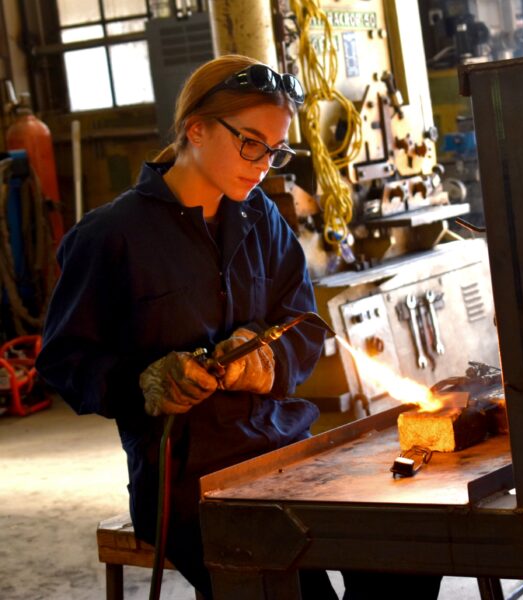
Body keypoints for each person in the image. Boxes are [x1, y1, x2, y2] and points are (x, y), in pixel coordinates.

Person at [36, 54, 441, 599]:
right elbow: (64, 363)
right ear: (195, 129)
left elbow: (302, 326)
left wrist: (267, 362)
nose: (262, 164)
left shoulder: (260, 217)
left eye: (275, 150)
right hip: (188, 482)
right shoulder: (111, 236)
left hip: (282, 453)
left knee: (407, 546)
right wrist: (145, 383)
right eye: (251, 142)